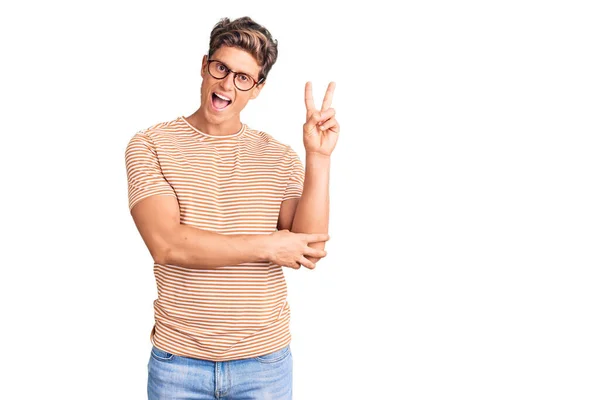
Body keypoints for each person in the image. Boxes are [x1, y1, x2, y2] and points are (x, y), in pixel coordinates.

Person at [125, 16, 340, 399]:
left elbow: (308, 247)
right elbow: (168, 244)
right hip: (179, 363)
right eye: (221, 68)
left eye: (243, 77)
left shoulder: (279, 156)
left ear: (257, 89)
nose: (227, 84)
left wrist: (318, 157)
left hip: (264, 364)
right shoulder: (150, 145)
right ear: (204, 65)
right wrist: (268, 245)